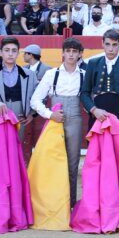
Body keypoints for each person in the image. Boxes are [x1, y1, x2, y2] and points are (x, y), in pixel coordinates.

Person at [30, 37, 85, 204]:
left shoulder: (85, 75)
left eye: (74, 52)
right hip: (55, 121)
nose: (70, 54)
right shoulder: (51, 74)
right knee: (53, 161)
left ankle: (70, 204)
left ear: (80, 55)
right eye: (68, 51)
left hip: (75, 119)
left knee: (72, 163)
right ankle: (53, 203)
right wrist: (49, 115)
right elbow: (35, 100)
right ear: (62, 53)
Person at [0, 37, 40, 157]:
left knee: (15, 153)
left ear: (18, 53)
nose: (10, 54)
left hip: (19, 118)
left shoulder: (29, 75)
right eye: (7, 50)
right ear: (1, 52)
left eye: (14, 50)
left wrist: (32, 114)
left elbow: (39, 96)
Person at [81, 29, 119, 142]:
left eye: (114, 45)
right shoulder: (93, 63)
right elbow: (84, 92)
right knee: (97, 150)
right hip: (97, 111)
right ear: (102, 44)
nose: (111, 48)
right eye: (107, 44)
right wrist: (94, 110)